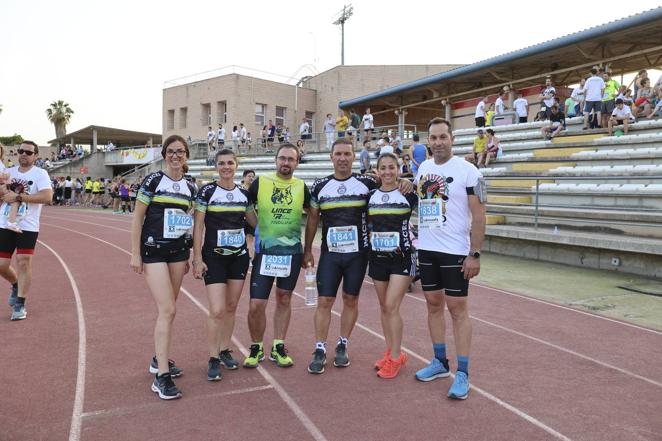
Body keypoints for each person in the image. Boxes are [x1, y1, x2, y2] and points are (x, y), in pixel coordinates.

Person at [303, 139, 412, 375]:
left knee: (351, 300)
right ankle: (320, 348)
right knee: (324, 302)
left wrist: (405, 182)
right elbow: (312, 219)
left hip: (358, 254)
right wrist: (307, 249)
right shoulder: (320, 186)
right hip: (330, 255)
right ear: (331, 157)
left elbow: (389, 186)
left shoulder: (368, 183)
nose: (342, 158)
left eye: (347, 154)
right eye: (338, 154)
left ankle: (343, 344)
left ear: (354, 157)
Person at [414, 117, 486, 400]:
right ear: (428, 141)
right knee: (433, 305)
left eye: (443, 137)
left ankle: (463, 372)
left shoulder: (469, 171)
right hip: (427, 248)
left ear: (452, 139)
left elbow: (479, 215)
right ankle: (440, 362)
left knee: (457, 309)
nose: (438, 142)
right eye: (433, 138)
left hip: (456, 251)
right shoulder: (424, 167)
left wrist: (475, 253)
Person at [130, 135, 196, 400]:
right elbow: (137, 218)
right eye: (171, 151)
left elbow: (187, 220)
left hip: (178, 253)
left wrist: (190, 251)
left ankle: (159, 359)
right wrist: (135, 254)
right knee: (167, 309)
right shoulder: (153, 181)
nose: (176, 155)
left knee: (170, 309)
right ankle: (162, 377)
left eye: (180, 151)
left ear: (186, 155)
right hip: (153, 251)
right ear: (164, 154)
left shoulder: (191, 186)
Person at [243, 143, 311, 369]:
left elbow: (315, 213)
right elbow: (245, 206)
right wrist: (257, 228)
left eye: (291, 159)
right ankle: (256, 347)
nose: (286, 163)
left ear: (297, 163)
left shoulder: (302, 186)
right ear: (276, 160)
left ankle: (278, 345)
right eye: (282, 158)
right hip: (265, 253)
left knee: (284, 298)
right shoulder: (260, 182)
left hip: (291, 253)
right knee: (256, 304)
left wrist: (308, 249)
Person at [192, 149, 257, 381]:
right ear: (217, 166)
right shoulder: (207, 191)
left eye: (230, 163)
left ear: (236, 165)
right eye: (222, 163)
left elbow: (254, 222)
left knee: (231, 307)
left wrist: (255, 238)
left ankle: (224, 349)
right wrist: (197, 258)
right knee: (217, 309)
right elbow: (198, 226)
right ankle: (212, 357)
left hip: (238, 258)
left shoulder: (244, 194)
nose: (226, 167)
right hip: (214, 257)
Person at [367, 153, 418, 378]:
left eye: (392, 167)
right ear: (377, 171)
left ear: (398, 169)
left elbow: (434, 204)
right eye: (383, 168)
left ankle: (396, 357)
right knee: (383, 307)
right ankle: (390, 352)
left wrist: (412, 182)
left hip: (402, 258)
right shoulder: (370, 196)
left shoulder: (409, 194)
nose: (387, 172)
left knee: (391, 306)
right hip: (377, 258)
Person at [1, 141, 53, 321]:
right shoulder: (9, 172)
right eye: (21, 151)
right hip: (5, 222)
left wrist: (19, 196)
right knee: (1, 264)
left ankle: (20, 304)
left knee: (23, 262)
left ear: (36, 156)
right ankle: (15, 284)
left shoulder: (40, 174)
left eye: (28, 152)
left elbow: (47, 197)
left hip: (28, 225)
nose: (23, 154)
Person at [241, 169, 256, 260]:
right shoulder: (239, 189)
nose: (251, 178)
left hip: (251, 219)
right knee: (241, 240)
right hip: (240, 219)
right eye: (249, 176)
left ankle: (250, 258)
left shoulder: (255, 191)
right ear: (244, 177)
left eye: (253, 177)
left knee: (250, 238)